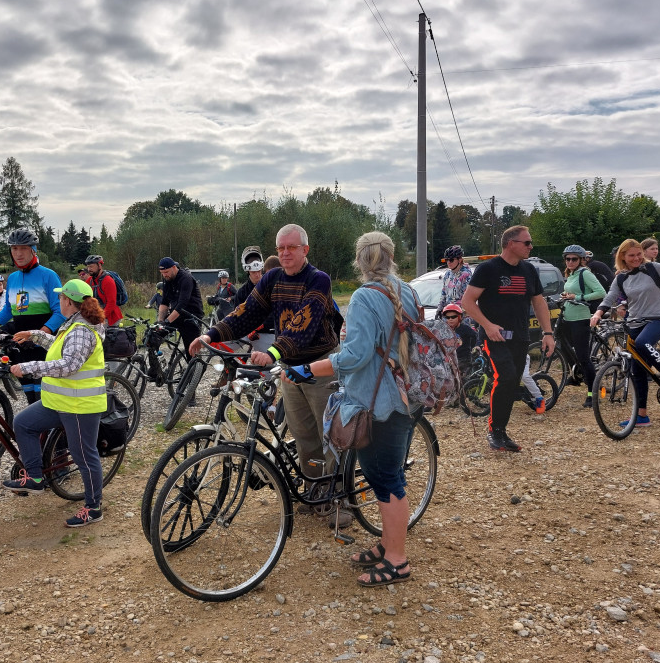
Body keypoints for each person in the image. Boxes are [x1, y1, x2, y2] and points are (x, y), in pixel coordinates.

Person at [283, 232, 416, 585]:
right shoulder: (408, 291)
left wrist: (308, 368)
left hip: (377, 404)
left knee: (387, 480)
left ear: (359, 261)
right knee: (382, 476)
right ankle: (388, 546)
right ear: (391, 257)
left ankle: (398, 561)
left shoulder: (362, 297)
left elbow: (355, 357)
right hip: (403, 397)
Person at [190, 224, 344, 526]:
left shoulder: (318, 280)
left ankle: (339, 499)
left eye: (291, 247)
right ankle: (315, 492)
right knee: (303, 436)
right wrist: (211, 335)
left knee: (331, 436)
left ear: (305, 250)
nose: (284, 253)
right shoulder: (272, 279)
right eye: (280, 248)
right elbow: (246, 312)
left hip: (321, 365)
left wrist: (274, 352)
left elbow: (304, 323)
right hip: (290, 367)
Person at [2, 279, 109, 527]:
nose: (58, 301)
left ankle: (94, 507)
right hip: (59, 401)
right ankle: (35, 478)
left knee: (83, 456)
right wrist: (35, 336)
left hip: (79, 406)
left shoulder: (82, 330)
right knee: (24, 423)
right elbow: (59, 347)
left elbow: (69, 364)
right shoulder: (72, 324)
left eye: (61, 297)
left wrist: (29, 368)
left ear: (69, 301)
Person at [461, 225, 556, 452]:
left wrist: (548, 333)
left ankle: (502, 432)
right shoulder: (488, 269)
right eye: (527, 242)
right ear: (510, 243)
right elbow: (467, 302)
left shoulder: (529, 270)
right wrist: (488, 325)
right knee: (505, 376)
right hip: (493, 337)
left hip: (520, 337)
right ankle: (494, 431)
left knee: (513, 382)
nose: (531, 247)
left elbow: (539, 302)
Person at [589, 239, 660, 428]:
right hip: (633, 322)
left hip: (657, 319)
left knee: (643, 343)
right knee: (637, 370)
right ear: (623, 257)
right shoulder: (621, 277)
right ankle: (642, 416)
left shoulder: (654, 268)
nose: (637, 258)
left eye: (639, 254)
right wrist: (598, 312)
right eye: (631, 255)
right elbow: (610, 296)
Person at [0, 229, 64, 403]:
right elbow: (9, 311)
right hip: (21, 345)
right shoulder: (12, 278)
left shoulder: (48, 276)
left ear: (33, 250)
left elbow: (60, 312)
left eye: (23, 248)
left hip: (44, 345)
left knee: (46, 396)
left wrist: (38, 335)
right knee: (30, 395)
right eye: (14, 249)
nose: (18, 253)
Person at [559, 245, 607, 408]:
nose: (570, 262)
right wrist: (566, 296)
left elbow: (601, 293)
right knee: (562, 345)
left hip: (581, 318)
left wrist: (578, 296)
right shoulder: (571, 274)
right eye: (567, 259)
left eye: (574, 259)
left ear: (581, 260)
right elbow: (571, 293)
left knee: (583, 357)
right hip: (568, 317)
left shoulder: (585, 273)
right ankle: (575, 374)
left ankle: (592, 393)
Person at [157, 257, 203, 354]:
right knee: (154, 335)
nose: (164, 275)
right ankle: (155, 366)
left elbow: (182, 305)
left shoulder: (186, 278)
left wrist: (167, 321)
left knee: (191, 350)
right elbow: (164, 302)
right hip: (177, 315)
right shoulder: (167, 279)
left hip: (192, 316)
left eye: (166, 272)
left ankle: (196, 367)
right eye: (162, 273)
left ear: (174, 267)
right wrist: (160, 322)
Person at [234, 246, 275, 351]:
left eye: (259, 271)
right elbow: (237, 316)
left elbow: (275, 313)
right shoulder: (241, 293)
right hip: (247, 331)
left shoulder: (271, 287)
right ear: (248, 272)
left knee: (267, 363)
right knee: (222, 346)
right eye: (253, 272)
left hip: (267, 332)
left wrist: (258, 327)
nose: (257, 275)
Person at [83, 254, 123, 326]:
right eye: (88, 267)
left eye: (91, 266)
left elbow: (111, 303)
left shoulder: (108, 280)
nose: (89, 269)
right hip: (97, 316)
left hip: (110, 317)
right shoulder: (89, 281)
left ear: (99, 265)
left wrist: (100, 318)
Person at [436, 245, 473, 319]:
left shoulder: (466, 274)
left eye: (451, 260)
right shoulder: (447, 274)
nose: (449, 262)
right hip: (448, 313)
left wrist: (462, 314)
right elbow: (443, 294)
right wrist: (439, 309)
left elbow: (468, 298)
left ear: (459, 260)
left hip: (461, 315)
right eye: (447, 260)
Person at [442, 303, 477, 373]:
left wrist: (473, 348)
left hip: (463, 358)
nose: (450, 319)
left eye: (453, 317)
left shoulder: (465, 328)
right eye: (448, 317)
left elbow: (475, 336)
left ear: (459, 317)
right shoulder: (444, 329)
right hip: (449, 358)